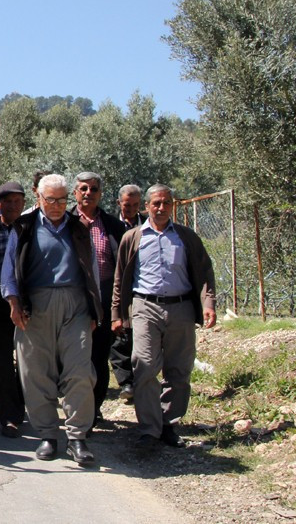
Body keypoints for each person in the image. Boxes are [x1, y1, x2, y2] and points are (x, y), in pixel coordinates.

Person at [1, 173, 101, 466]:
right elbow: (9, 269)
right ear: (39, 199)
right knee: (35, 371)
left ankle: (77, 437)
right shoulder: (24, 226)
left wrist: (95, 309)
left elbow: (92, 268)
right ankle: (47, 434)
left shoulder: (79, 228)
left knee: (80, 369)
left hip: (75, 305)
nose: (57, 205)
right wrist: (14, 302)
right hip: (36, 305)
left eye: (62, 200)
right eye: (50, 200)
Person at [112, 184, 217, 449]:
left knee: (179, 370)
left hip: (180, 308)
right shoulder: (133, 237)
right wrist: (117, 313)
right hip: (144, 307)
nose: (160, 208)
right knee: (144, 365)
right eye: (156, 203)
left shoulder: (186, 237)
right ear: (146, 206)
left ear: (172, 206)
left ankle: (168, 425)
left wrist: (209, 303)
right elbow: (119, 279)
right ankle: (149, 429)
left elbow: (205, 272)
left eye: (166, 203)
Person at [69, 171, 126, 428]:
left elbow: (123, 267)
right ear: (75, 193)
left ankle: (93, 408)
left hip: (104, 299)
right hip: (72, 297)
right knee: (71, 356)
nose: (88, 193)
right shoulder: (64, 221)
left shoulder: (114, 226)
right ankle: (74, 407)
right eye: (83, 188)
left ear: (101, 194)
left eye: (93, 189)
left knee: (99, 356)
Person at [0, 181, 28, 437]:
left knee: (26, 361)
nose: (12, 206)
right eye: (7, 201)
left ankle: (24, 408)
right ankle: (8, 416)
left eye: (17, 201)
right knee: (0, 363)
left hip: (26, 304)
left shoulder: (30, 229)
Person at [111, 184, 146, 402]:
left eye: (135, 205)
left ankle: (140, 380)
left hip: (138, 287)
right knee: (119, 337)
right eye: (127, 205)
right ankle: (126, 383)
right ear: (119, 204)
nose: (131, 209)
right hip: (116, 286)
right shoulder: (112, 226)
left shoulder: (147, 226)